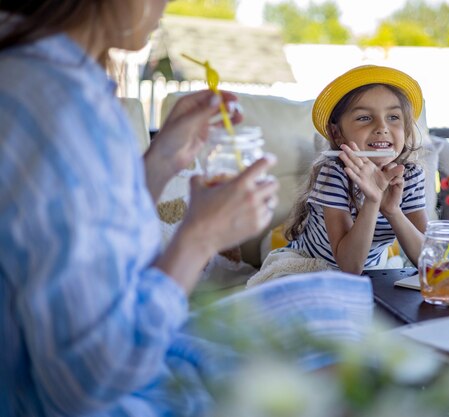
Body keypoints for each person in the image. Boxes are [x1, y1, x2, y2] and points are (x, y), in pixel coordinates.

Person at [0, 1, 373, 416]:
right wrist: (200, 238)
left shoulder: (31, 79)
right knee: (351, 362)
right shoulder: (65, 108)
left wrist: (160, 162)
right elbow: (92, 378)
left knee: (336, 322)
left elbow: (78, 227)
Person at [248, 65, 428, 286]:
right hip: (312, 267)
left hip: (374, 270)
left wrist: (392, 211)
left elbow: (427, 260)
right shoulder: (334, 173)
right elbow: (349, 267)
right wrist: (373, 200)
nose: (382, 127)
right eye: (364, 118)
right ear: (337, 133)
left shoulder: (409, 176)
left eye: (393, 116)